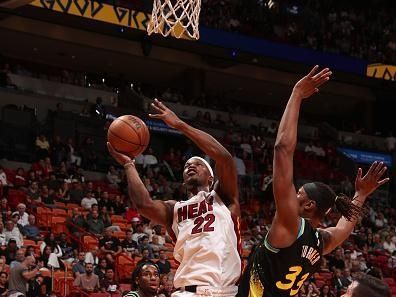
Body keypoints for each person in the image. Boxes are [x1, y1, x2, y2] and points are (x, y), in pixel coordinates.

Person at [238, 66, 389, 297]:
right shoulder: (320, 242)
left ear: (309, 206)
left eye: (299, 193)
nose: (293, 194)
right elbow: (343, 228)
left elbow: (282, 150)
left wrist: (297, 94)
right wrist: (361, 194)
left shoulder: (290, 226)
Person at [108, 98, 241, 297]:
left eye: (198, 164)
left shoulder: (224, 197)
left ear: (211, 177)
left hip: (224, 291)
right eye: (187, 165)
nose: (191, 166)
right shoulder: (174, 209)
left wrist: (179, 125)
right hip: (185, 292)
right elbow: (143, 204)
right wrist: (129, 165)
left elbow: (224, 157)